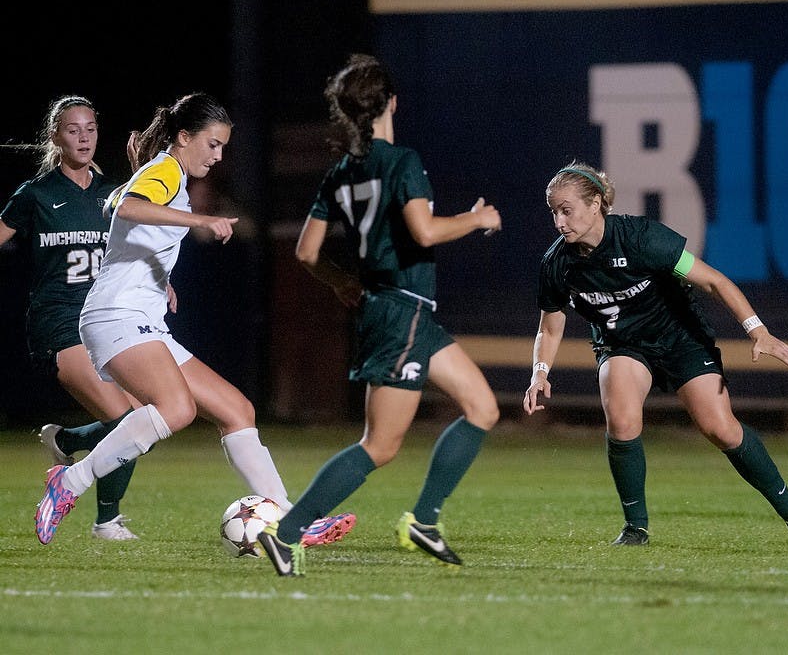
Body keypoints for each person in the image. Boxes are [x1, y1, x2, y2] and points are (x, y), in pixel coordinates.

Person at [33, 92, 354, 547]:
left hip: (141, 316)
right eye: (213, 144)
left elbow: (127, 221)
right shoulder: (166, 169)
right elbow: (119, 207)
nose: (219, 156)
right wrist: (202, 221)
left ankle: (288, 520)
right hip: (115, 315)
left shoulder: (170, 173)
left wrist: (158, 277)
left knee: (237, 410)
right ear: (184, 137)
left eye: (223, 147)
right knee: (176, 409)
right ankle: (70, 482)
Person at [256, 54, 502, 577]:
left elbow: (305, 252)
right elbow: (426, 232)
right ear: (392, 103)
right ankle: (288, 532)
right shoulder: (401, 161)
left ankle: (425, 522)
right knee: (380, 446)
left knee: (482, 407)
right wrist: (477, 218)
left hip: (401, 312)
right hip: (400, 311)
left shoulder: (341, 172)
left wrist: (343, 281)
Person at [523, 161, 788, 545]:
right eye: (553, 211)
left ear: (595, 205)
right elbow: (550, 324)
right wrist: (539, 372)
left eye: (566, 209)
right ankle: (635, 527)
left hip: (680, 338)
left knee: (720, 429)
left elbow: (714, 281)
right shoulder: (556, 263)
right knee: (622, 420)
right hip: (623, 346)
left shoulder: (642, 238)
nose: (559, 221)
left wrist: (758, 331)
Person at [1, 95, 146, 540]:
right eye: (72, 129)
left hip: (105, 320)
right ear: (55, 137)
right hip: (57, 321)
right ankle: (107, 521)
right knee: (126, 420)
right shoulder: (37, 194)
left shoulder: (111, 194)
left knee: (148, 417)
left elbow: (131, 251)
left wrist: (162, 283)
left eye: (90, 129)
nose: (83, 138)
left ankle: (67, 442)